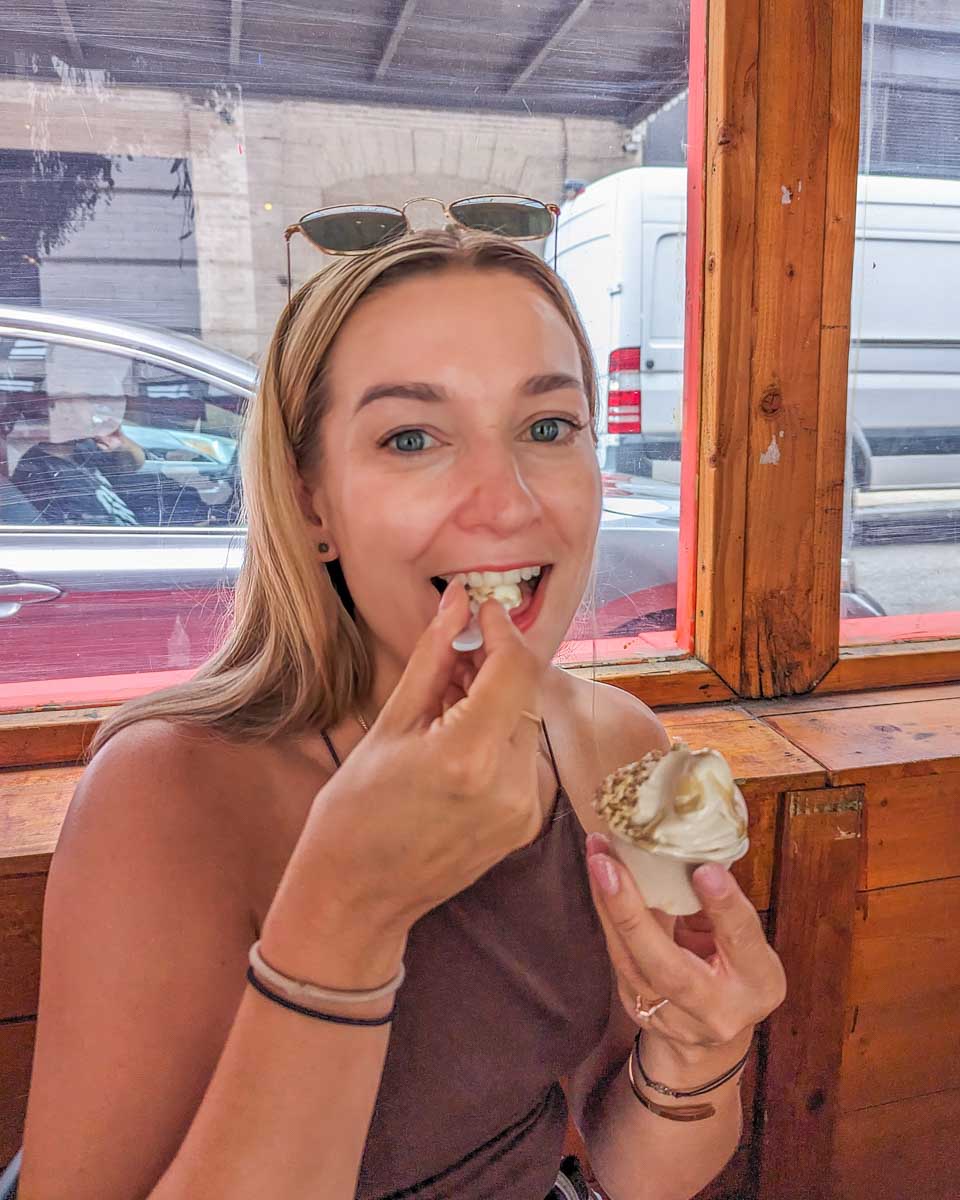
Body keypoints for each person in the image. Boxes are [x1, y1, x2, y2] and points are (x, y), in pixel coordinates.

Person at [18, 222, 786, 1200]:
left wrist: (697, 1044)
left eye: (548, 428)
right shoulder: (170, 791)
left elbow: (636, 1169)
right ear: (311, 505)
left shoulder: (616, 743)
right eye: (412, 438)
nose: (506, 505)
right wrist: (346, 913)